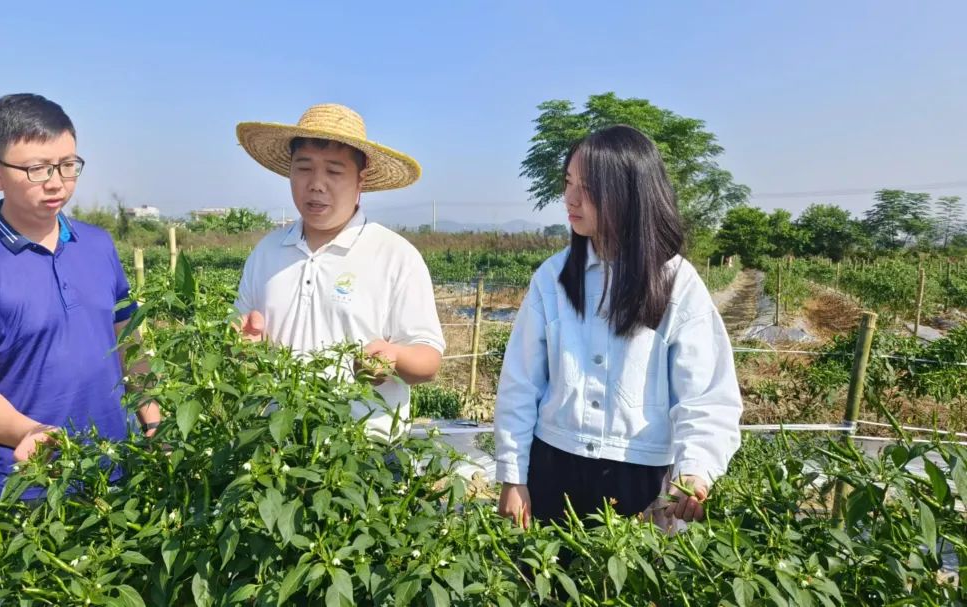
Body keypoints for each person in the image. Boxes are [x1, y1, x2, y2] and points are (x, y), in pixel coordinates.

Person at [494, 125, 742, 528]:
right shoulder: (553, 277)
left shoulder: (677, 282)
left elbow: (707, 395)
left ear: (630, 193)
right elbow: (521, 382)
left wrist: (695, 468)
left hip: (641, 479)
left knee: (631, 589)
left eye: (588, 187)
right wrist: (512, 475)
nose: (570, 199)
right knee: (546, 586)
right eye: (568, 182)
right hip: (553, 467)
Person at [0, 93, 159, 501]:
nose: (56, 182)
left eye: (68, 165)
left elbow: (129, 344)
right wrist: (29, 431)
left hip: (121, 469)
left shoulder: (98, 245)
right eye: (36, 169)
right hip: (34, 487)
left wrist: (154, 423)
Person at [233, 103, 445, 441]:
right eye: (304, 169)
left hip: (363, 454)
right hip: (275, 446)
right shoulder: (266, 253)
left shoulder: (394, 255)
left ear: (360, 179)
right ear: (290, 172)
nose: (316, 184)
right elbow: (239, 334)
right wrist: (243, 342)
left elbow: (428, 358)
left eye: (334, 171)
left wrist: (394, 357)